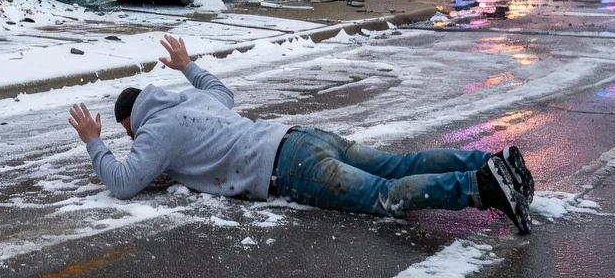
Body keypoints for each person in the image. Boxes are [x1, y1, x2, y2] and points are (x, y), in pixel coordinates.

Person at [67, 36, 533, 234]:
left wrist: (94, 140)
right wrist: (188, 65)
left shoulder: (155, 131)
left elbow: (125, 182)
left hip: (290, 168)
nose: (132, 143)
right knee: (398, 164)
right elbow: (220, 88)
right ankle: (489, 161)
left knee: (386, 196)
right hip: (302, 137)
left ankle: (481, 185)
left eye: (127, 134)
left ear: (131, 121)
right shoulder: (192, 101)